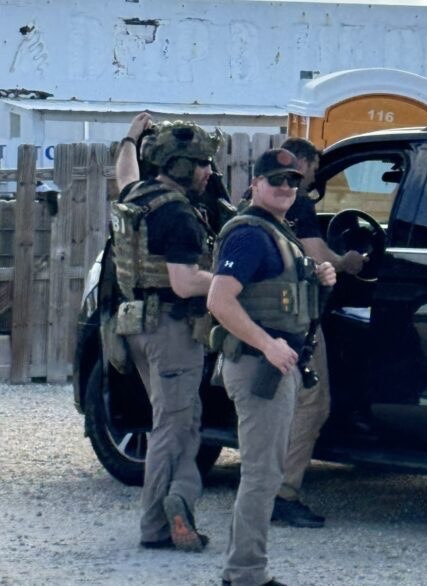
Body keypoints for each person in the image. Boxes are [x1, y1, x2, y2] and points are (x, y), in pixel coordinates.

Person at [207, 148, 336, 586]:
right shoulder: (249, 234)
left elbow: (278, 294)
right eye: (276, 180)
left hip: (273, 364)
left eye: (292, 181)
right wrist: (268, 345)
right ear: (254, 185)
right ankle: (245, 574)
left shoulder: (276, 231)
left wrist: (316, 278)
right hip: (258, 366)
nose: (286, 187)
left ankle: (244, 570)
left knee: (265, 473)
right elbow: (219, 300)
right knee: (262, 475)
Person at [113, 112, 220, 551]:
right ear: (178, 166)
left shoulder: (139, 194)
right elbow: (183, 281)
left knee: (181, 421)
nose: (209, 171)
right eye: (200, 163)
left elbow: (123, 171)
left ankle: (181, 501)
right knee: (173, 429)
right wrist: (231, 284)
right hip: (172, 330)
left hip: (136, 326)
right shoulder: (177, 213)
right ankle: (157, 525)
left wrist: (129, 138)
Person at [270, 137, 367, 528]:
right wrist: (348, 261)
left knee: (273, 408)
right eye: (314, 167)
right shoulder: (301, 201)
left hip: (262, 315)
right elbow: (315, 255)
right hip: (297, 319)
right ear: (307, 162)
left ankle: (263, 488)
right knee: (312, 404)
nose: (311, 177)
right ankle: (282, 493)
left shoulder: (258, 198)